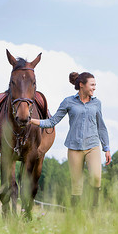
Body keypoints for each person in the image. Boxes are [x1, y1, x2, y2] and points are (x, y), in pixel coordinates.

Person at [31, 72, 111, 208]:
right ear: (82, 85)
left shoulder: (97, 103)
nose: (94, 88)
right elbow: (52, 121)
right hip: (74, 147)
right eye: (92, 85)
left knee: (96, 179)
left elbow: (101, 127)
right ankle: (75, 216)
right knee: (76, 186)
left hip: (93, 146)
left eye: (95, 85)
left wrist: (106, 148)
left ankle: (93, 213)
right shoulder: (68, 102)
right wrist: (31, 121)